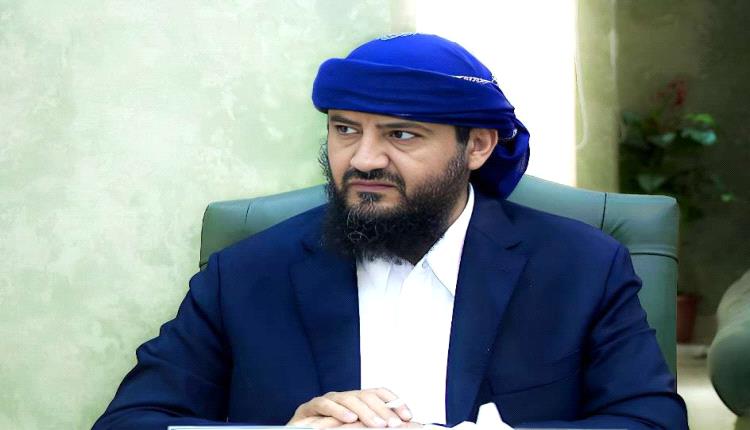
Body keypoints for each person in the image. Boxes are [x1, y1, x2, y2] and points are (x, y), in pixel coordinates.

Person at [93, 33, 687, 429]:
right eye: (345, 129)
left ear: (478, 146)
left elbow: (650, 421)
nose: (364, 158)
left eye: (401, 134)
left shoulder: (581, 267)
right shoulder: (248, 272)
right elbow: (132, 421)